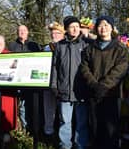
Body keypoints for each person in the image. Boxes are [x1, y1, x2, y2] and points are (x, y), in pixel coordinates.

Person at [79, 16, 128, 149]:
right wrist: (94, 85)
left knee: (111, 130)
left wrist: (104, 86)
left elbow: (120, 69)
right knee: (95, 128)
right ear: (96, 29)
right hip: (94, 94)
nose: (103, 28)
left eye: (106, 25)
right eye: (100, 25)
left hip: (111, 94)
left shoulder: (120, 48)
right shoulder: (89, 49)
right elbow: (84, 68)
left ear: (111, 28)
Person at [51, 16, 90, 149]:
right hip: (64, 90)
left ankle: (81, 145)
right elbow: (55, 67)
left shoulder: (86, 44)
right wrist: (54, 85)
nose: (75, 29)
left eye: (77, 26)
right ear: (66, 29)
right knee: (65, 122)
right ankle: (65, 145)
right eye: (72, 26)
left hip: (81, 91)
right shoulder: (60, 46)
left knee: (82, 122)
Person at [8, 25, 41, 133]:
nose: (22, 32)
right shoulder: (12, 46)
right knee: (21, 106)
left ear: (28, 32)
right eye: (20, 31)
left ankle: (34, 128)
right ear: (17, 33)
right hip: (17, 81)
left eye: (24, 30)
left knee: (32, 105)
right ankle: (25, 128)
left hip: (31, 80)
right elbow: (9, 63)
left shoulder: (34, 45)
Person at [43, 22, 65, 142]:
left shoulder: (66, 46)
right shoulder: (46, 47)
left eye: (58, 33)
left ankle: (62, 135)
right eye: (53, 33)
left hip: (62, 83)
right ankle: (48, 133)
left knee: (63, 111)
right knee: (48, 109)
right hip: (48, 82)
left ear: (62, 34)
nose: (54, 35)